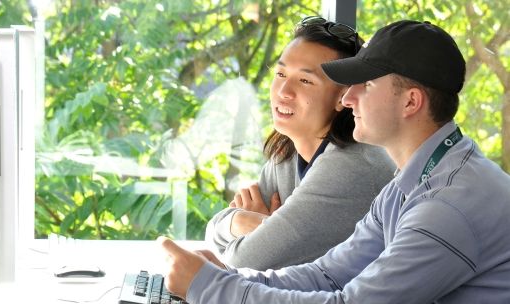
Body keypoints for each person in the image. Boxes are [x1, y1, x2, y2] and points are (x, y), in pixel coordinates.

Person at [160, 20, 510, 303]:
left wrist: (209, 286)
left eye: (366, 85)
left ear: (410, 102)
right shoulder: (413, 181)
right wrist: (227, 277)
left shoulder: (447, 207)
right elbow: (327, 274)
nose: (350, 96)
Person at [204, 16, 395, 270]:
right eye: (281, 73)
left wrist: (257, 233)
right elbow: (213, 235)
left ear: (343, 97)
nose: (284, 91)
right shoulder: (286, 152)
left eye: (305, 80)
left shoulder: (351, 166)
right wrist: (242, 222)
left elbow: (245, 263)